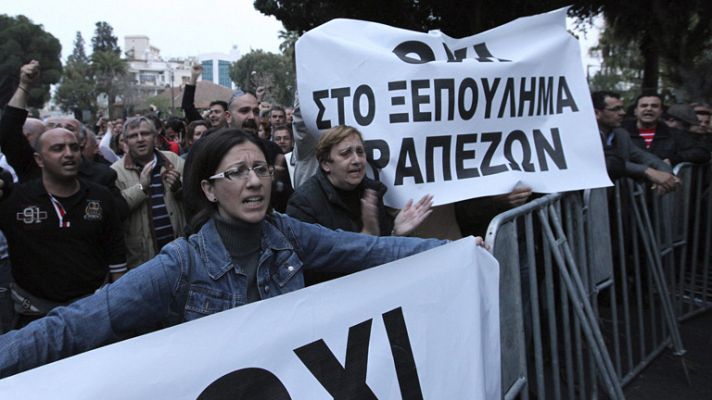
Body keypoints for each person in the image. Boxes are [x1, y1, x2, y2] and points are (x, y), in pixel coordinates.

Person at [0, 128, 476, 378]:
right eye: (237, 173)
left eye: (261, 169)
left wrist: (452, 251)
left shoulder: (288, 234)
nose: (253, 181)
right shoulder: (179, 265)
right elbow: (79, 324)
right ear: (207, 189)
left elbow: (369, 251)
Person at [0, 128, 126, 327]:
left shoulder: (100, 196)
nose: (68, 154)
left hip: (94, 311)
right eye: (58, 149)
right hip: (35, 318)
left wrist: (119, 307)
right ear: (39, 159)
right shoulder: (15, 201)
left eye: (74, 148)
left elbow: (116, 254)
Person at [0, 61, 128, 220]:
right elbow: (8, 133)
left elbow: (117, 216)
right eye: (53, 126)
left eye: (69, 128)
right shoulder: (31, 170)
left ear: (81, 142)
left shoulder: (102, 176)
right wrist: (24, 86)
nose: (60, 131)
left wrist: (141, 187)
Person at [287, 125, 432, 237]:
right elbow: (314, 263)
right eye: (346, 154)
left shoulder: (372, 192)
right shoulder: (304, 203)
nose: (357, 160)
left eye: (360, 152)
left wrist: (395, 232)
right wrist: (367, 237)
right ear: (326, 164)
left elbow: (383, 250)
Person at [111, 117, 186, 269]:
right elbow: (115, 210)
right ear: (126, 141)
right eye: (133, 136)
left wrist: (180, 188)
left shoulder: (174, 161)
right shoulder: (115, 172)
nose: (140, 139)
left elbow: (196, 197)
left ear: (155, 137)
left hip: (179, 256)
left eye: (145, 134)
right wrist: (141, 188)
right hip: (142, 263)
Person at [591, 90, 679, 193]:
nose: (622, 113)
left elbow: (644, 157)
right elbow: (606, 162)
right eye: (616, 109)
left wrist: (667, 176)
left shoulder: (621, 134)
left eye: (622, 108)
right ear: (597, 113)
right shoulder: (586, 136)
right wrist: (648, 171)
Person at [622, 93, 710, 165]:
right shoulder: (621, 134)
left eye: (654, 106)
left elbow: (702, 152)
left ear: (661, 112)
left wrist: (674, 159)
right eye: (644, 105)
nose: (649, 109)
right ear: (636, 111)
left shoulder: (675, 134)